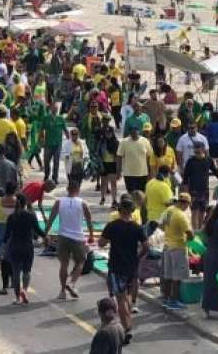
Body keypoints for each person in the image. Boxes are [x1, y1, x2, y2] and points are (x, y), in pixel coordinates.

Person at [99, 197, 147, 343]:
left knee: (120, 299)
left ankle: (126, 329)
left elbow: (101, 243)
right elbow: (146, 246)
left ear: (120, 210)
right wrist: (137, 257)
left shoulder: (112, 226)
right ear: (132, 211)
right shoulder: (137, 228)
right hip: (131, 267)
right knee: (126, 297)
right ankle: (128, 323)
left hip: (116, 267)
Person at [43, 181, 95, 300]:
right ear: (78, 189)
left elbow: (51, 219)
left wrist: (44, 234)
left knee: (64, 264)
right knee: (81, 261)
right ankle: (71, 283)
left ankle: (62, 291)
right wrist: (91, 235)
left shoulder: (59, 202)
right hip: (78, 237)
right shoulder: (82, 203)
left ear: (67, 189)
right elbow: (89, 220)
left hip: (62, 237)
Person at [3, 193, 45, 305]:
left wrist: (3, 248)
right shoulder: (30, 215)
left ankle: (17, 298)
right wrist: (46, 237)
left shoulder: (11, 217)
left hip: (14, 246)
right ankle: (24, 290)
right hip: (27, 246)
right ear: (25, 203)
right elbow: (38, 230)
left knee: (16, 273)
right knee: (27, 271)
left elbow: (6, 235)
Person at [160, 193, 194, 309]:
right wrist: (191, 239)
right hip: (178, 247)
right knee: (177, 276)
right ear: (186, 204)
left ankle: (166, 298)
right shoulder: (181, 216)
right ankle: (174, 300)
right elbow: (190, 233)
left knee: (168, 275)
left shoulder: (170, 209)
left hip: (167, 245)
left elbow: (161, 224)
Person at [116, 125, 151, 196]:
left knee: (142, 195)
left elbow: (149, 157)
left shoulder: (145, 141)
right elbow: (119, 157)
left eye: (135, 133)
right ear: (130, 133)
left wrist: (150, 171)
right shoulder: (124, 142)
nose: (134, 135)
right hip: (129, 174)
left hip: (143, 174)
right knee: (131, 194)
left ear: (139, 133)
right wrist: (118, 172)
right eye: (132, 133)